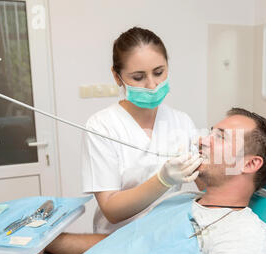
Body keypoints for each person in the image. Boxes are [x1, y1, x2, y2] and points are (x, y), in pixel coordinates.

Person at [0, 107, 266, 254]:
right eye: (210, 132)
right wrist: (43, 242)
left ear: (249, 164)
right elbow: (121, 247)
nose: (202, 139)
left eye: (221, 137)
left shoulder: (247, 239)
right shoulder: (182, 201)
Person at [81, 26, 203, 234]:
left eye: (159, 72)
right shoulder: (101, 126)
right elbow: (111, 209)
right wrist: (162, 180)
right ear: (117, 76)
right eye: (138, 77)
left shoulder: (181, 121)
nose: (152, 85)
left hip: (167, 235)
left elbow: (206, 184)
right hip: (116, 241)